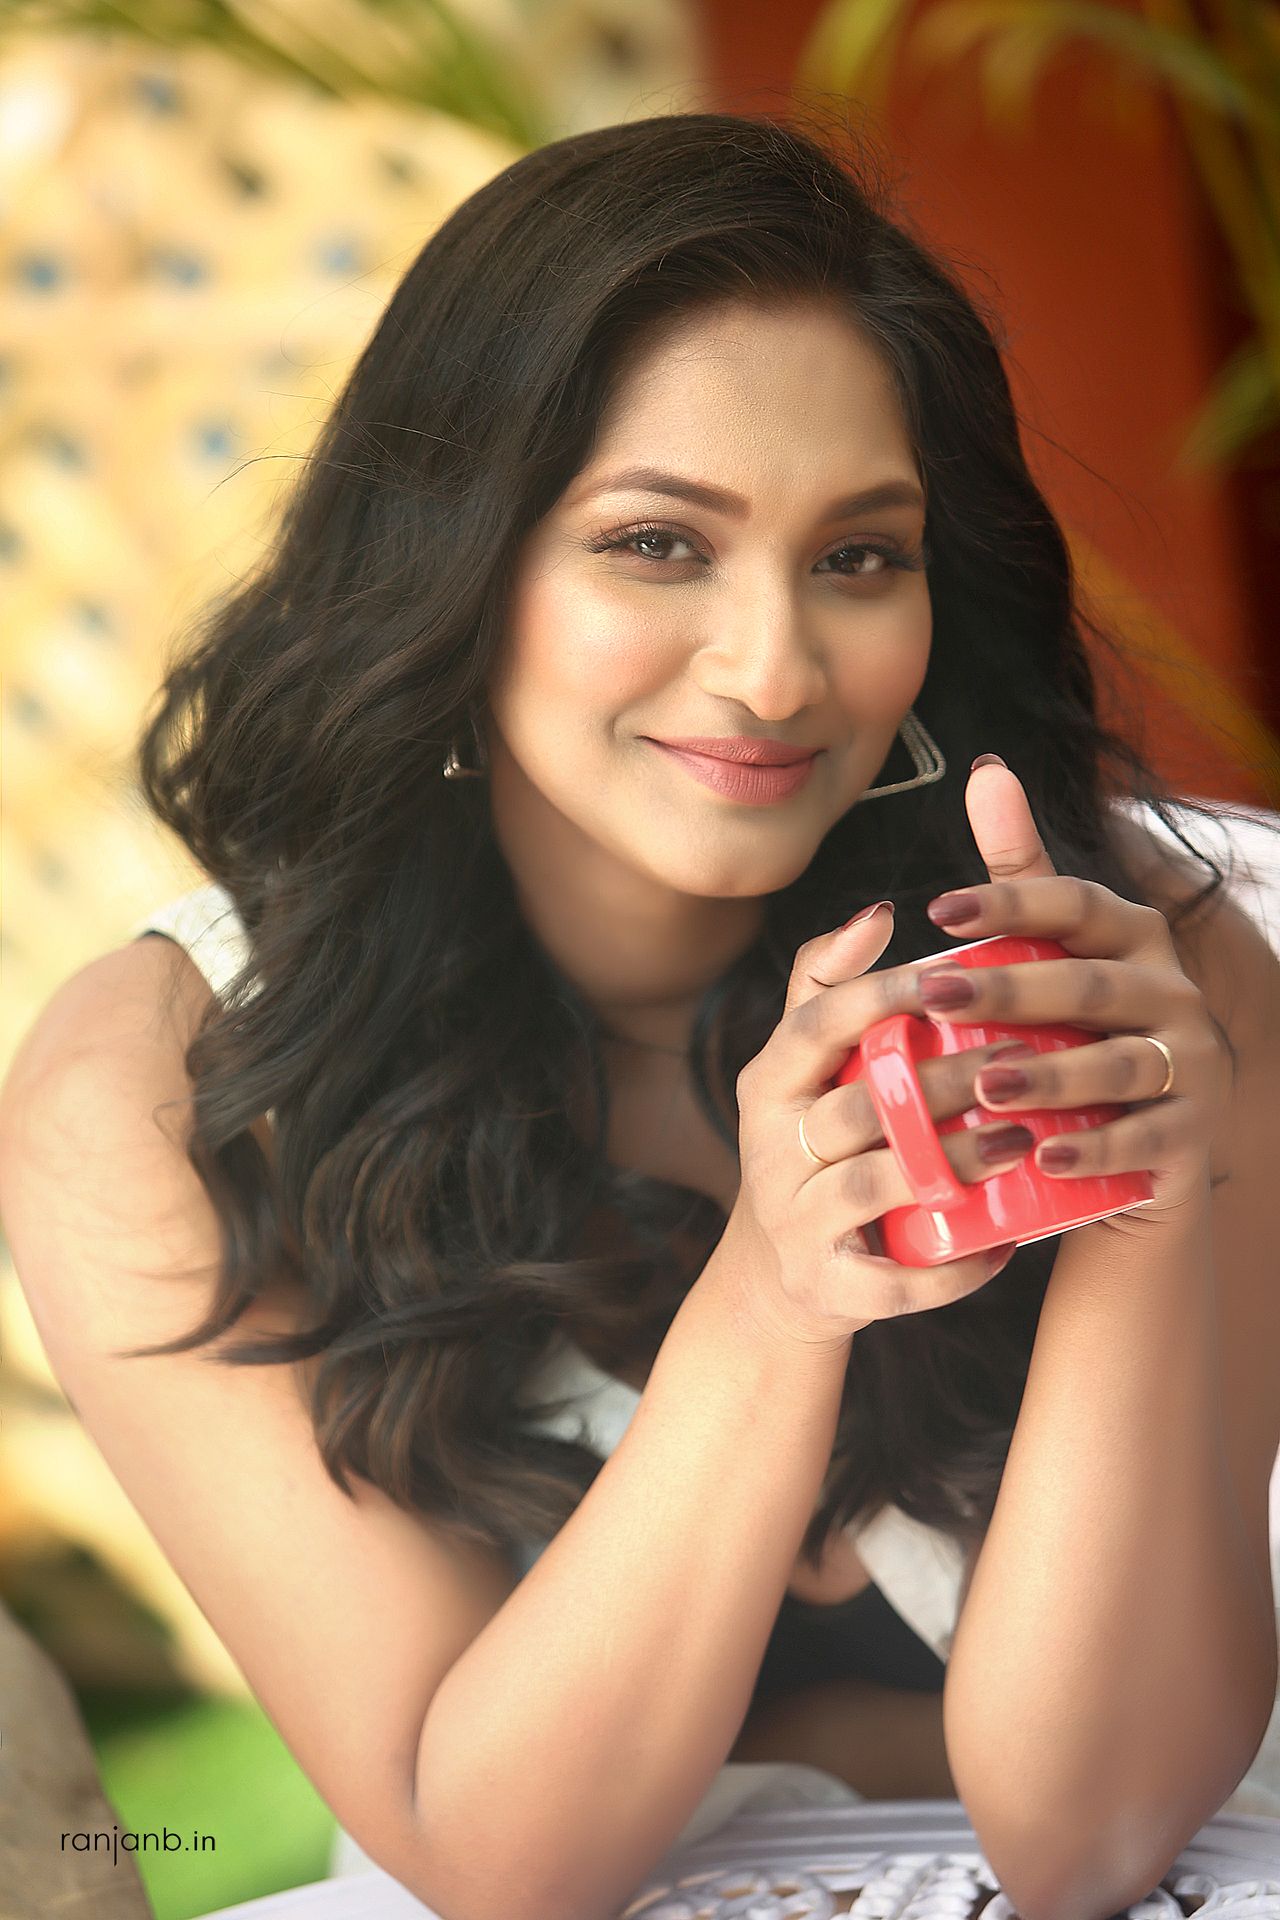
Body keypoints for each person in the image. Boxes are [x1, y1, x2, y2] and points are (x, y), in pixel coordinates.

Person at [2, 108, 1278, 1920]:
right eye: (657, 544)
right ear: (455, 566)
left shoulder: (1150, 977)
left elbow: (1094, 1839)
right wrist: (775, 1294)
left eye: (859, 557)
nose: (773, 670)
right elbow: (502, 1859)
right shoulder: (164, 1099)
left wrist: (1139, 1205)